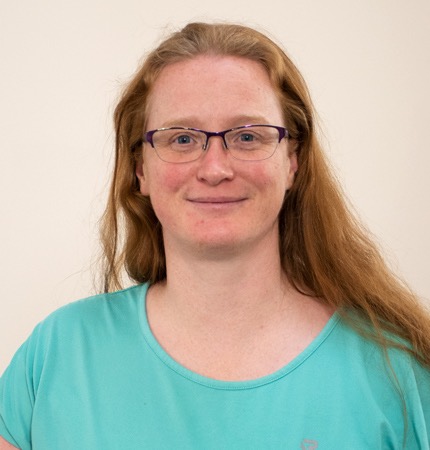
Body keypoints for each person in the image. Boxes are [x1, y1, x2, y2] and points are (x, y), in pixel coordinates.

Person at [1, 22, 429, 450]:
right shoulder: (57, 353)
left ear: (293, 161)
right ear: (140, 169)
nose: (215, 168)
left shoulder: (396, 371)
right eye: (182, 138)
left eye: (247, 136)